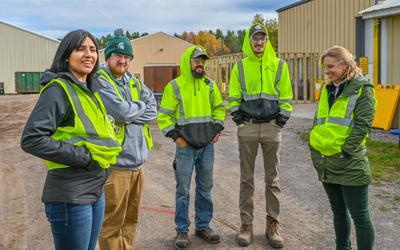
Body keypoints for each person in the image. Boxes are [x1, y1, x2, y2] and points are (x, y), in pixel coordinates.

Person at [20, 29, 122, 250]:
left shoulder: (90, 90)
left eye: (93, 49)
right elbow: (32, 138)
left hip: (96, 185)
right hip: (71, 191)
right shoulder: (58, 89)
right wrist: (84, 157)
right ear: (66, 55)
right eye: (80, 48)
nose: (89, 54)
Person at [227, 23, 293, 248]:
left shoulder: (280, 65)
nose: (258, 42)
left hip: (272, 127)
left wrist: (280, 121)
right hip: (249, 128)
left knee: (272, 179)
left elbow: (286, 96)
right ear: (249, 41)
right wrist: (239, 120)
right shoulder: (241, 67)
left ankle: (272, 225)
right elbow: (234, 97)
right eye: (255, 38)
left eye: (262, 38)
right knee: (247, 179)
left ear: (267, 41)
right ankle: (246, 225)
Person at [157, 46, 226, 250]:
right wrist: (176, 138)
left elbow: (219, 109)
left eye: (202, 60)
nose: (200, 64)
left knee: (205, 189)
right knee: (183, 190)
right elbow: (164, 116)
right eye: (196, 60)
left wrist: (218, 129)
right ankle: (182, 229)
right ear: (188, 61)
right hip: (185, 147)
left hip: (207, 147)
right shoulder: (175, 86)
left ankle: (203, 227)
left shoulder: (210, 85)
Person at [309, 45, 376, 250]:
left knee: (360, 216)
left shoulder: (363, 89)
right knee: (338, 212)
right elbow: (319, 121)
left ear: (345, 65)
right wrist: (315, 148)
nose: (326, 71)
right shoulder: (329, 88)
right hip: (326, 159)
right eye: (324, 67)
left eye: (330, 67)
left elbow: (363, 125)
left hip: (349, 162)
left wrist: (346, 151)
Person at [96, 32, 157, 250]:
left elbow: (154, 110)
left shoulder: (131, 79)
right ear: (108, 57)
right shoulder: (99, 80)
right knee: (112, 225)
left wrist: (131, 113)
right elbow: (120, 112)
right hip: (116, 166)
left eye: (127, 57)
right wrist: (135, 109)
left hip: (137, 165)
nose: (123, 61)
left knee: (130, 222)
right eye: (118, 56)